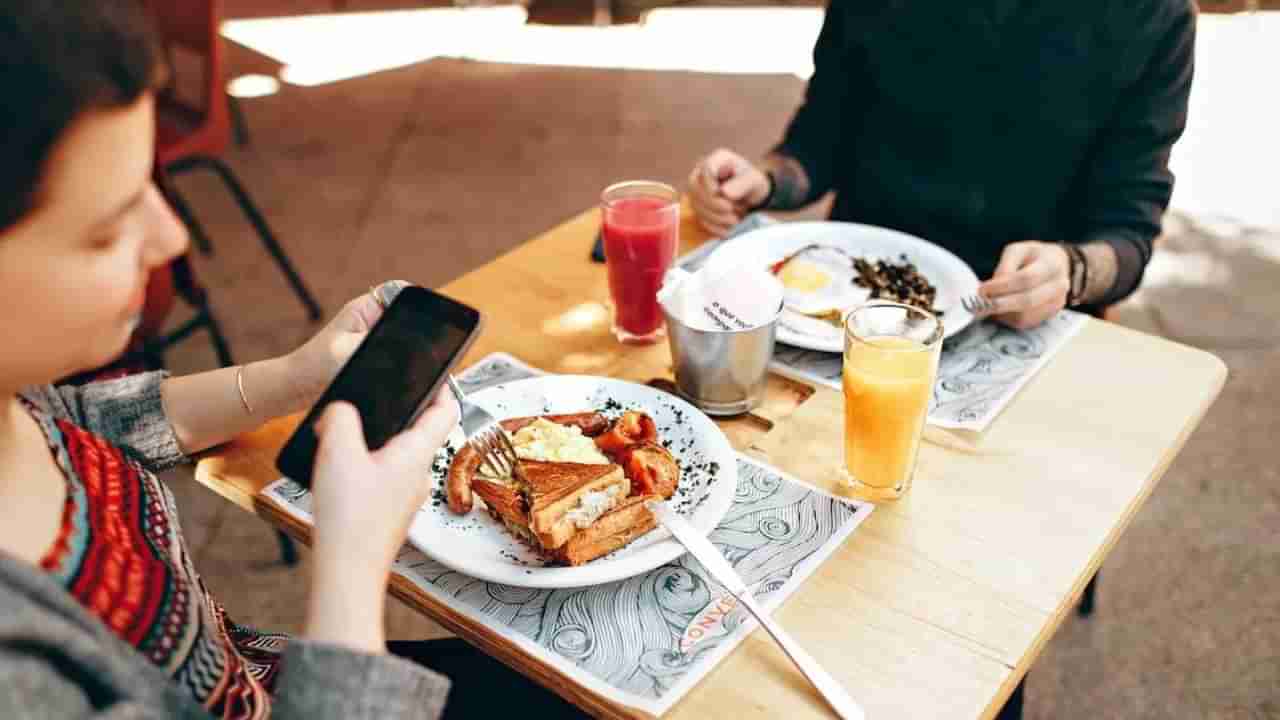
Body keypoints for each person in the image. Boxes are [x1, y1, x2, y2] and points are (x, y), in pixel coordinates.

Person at [0, 3, 583, 718]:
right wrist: (351, 564)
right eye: (106, 230)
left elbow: (83, 422)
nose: (172, 238)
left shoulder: (15, 398)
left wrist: (295, 376)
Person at [688, 0, 1196, 329]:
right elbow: (821, 140)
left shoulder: (1156, 16)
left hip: (1019, 317)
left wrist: (1072, 269)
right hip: (853, 302)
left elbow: (1127, 235)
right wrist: (768, 180)